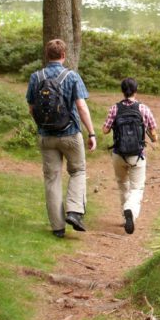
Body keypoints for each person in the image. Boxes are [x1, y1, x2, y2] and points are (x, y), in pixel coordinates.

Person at [26, 39, 97, 239]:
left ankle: (57, 227)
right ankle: (74, 212)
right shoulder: (72, 76)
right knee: (78, 171)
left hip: (46, 137)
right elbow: (81, 107)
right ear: (63, 55)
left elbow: (32, 108)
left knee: (52, 179)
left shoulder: (35, 77)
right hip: (70, 134)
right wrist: (91, 132)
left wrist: (42, 125)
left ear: (47, 55)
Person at [102, 77, 157, 235]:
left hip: (118, 154)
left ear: (122, 91)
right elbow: (154, 135)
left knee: (122, 184)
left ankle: (125, 214)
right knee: (137, 187)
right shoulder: (143, 109)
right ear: (136, 90)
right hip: (137, 155)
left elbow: (105, 130)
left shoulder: (115, 108)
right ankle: (130, 210)